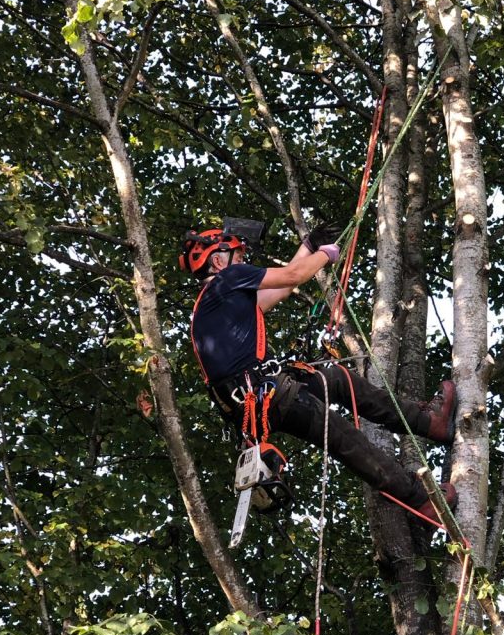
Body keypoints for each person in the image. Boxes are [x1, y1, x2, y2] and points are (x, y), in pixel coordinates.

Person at [180, 223, 458, 522]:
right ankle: (419, 499)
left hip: (262, 395)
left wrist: (309, 247)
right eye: (237, 256)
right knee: (343, 436)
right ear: (219, 261)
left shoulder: (223, 301)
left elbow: (284, 286)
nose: (243, 262)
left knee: (336, 378)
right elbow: (293, 275)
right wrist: (325, 255)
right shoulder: (229, 280)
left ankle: (431, 423)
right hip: (267, 395)